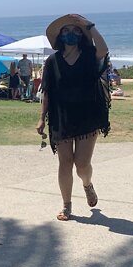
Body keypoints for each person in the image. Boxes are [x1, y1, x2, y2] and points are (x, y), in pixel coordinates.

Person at [36, 14, 111, 221]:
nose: (71, 34)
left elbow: (104, 50)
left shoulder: (89, 54)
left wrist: (90, 26)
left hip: (88, 115)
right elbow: (47, 91)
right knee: (65, 162)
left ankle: (87, 184)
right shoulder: (52, 61)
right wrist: (42, 117)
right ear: (60, 36)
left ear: (82, 35)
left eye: (76, 30)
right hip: (61, 117)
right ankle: (66, 205)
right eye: (66, 31)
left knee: (82, 164)